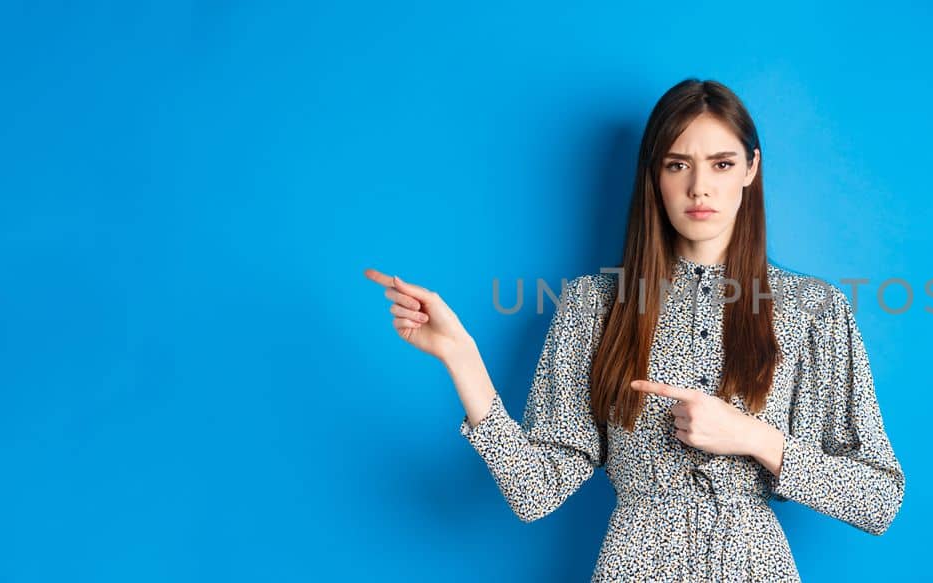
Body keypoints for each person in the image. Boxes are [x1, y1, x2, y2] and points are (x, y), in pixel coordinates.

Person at [363, 78, 903, 581]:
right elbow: (534, 493)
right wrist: (463, 359)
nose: (699, 187)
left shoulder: (814, 310)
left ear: (751, 169)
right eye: (677, 165)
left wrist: (753, 438)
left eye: (721, 164)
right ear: (654, 174)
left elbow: (879, 498)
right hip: (634, 563)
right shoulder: (591, 306)